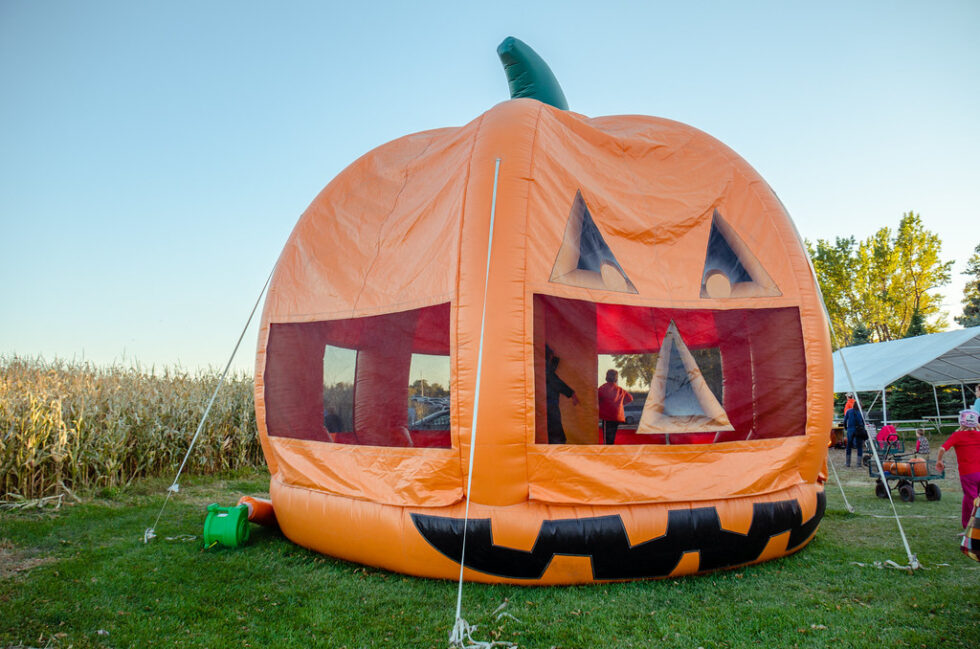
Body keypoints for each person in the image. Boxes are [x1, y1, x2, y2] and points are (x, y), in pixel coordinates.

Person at [936, 409, 980, 529]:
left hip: (968, 473)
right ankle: (972, 527)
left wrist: (939, 461)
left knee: (971, 500)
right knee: (972, 500)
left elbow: (942, 449)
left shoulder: (957, 435)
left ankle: (971, 529)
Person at [545, 346, 579, 444]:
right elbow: (554, 380)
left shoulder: (546, 369)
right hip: (549, 404)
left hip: (549, 403)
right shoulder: (545, 371)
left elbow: (552, 377)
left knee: (554, 430)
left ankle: (557, 442)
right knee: (554, 431)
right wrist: (572, 393)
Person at [597, 369, 633, 445]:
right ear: (616, 379)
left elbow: (595, 398)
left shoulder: (603, 388)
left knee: (606, 439)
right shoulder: (620, 389)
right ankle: (611, 449)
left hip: (607, 417)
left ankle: (607, 452)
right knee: (611, 437)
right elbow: (630, 398)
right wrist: (620, 404)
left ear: (606, 377)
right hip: (617, 417)